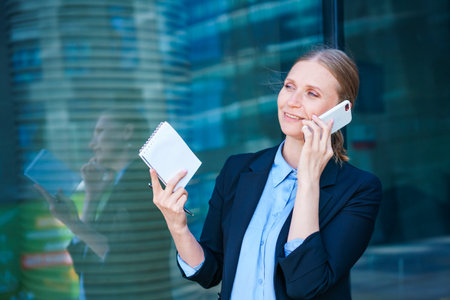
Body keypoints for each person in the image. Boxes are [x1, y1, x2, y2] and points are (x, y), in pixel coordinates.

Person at [150, 48, 382, 300]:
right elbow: (211, 272)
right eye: (289, 86)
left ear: (340, 111)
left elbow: (306, 285)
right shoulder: (237, 170)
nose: (292, 101)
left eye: (312, 93)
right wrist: (178, 227)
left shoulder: (359, 190)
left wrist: (308, 181)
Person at [36, 108, 172, 300]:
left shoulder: (141, 183)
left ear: (126, 132)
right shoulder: (122, 184)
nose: (92, 144)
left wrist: (72, 223)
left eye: (100, 132)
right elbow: (84, 262)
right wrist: (92, 198)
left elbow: (121, 257)